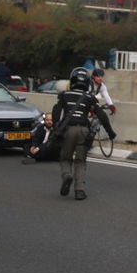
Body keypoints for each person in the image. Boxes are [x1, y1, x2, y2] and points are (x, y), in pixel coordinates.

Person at [49, 68, 103, 200]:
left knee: (65, 158)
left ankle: (67, 175)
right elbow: (101, 115)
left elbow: (56, 112)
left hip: (67, 130)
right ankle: (80, 190)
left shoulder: (64, 95)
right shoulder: (90, 97)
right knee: (80, 161)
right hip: (84, 131)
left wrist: (56, 126)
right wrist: (111, 133)